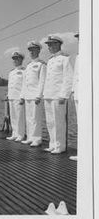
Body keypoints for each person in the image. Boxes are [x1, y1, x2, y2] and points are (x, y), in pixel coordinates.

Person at [43, 34, 73, 154]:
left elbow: (68, 77)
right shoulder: (50, 60)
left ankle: (60, 146)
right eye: (48, 45)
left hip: (58, 95)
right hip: (49, 94)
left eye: (51, 44)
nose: (49, 47)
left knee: (59, 121)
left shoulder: (65, 58)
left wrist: (64, 95)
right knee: (50, 121)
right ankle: (52, 144)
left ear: (58, 44)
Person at [20, 41, 46, 147]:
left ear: (38, 51)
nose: (31, 52)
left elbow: (42, 81)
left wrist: (39, 95)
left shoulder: (41, 64)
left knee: (35, 118)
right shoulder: (29, 65)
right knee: (29, 118)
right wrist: (22, 96)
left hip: (35, 96)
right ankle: (30, 137)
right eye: (30, 50)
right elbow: (24, 82)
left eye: (33, 50)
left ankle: (37, 139)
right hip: (28, 95)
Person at [6, 50, 26, 142]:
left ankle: (20, 135)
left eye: (17, 59)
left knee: (19, 117)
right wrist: (8, 95)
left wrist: (22, 96)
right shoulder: (11, 72)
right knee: (13, 116)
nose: (15, 61)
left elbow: (25, 85)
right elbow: (10, 85)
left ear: (21, 60)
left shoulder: (24, 71)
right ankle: (14, 133)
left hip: (19, 97)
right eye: (14, 59)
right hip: (12, 96)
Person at [69, 32, 79, 161]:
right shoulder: (78, 56)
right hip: (78, 94)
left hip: (89, 94)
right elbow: (75, 76)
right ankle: (82, 152)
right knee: (80, 124)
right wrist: (72, 91)